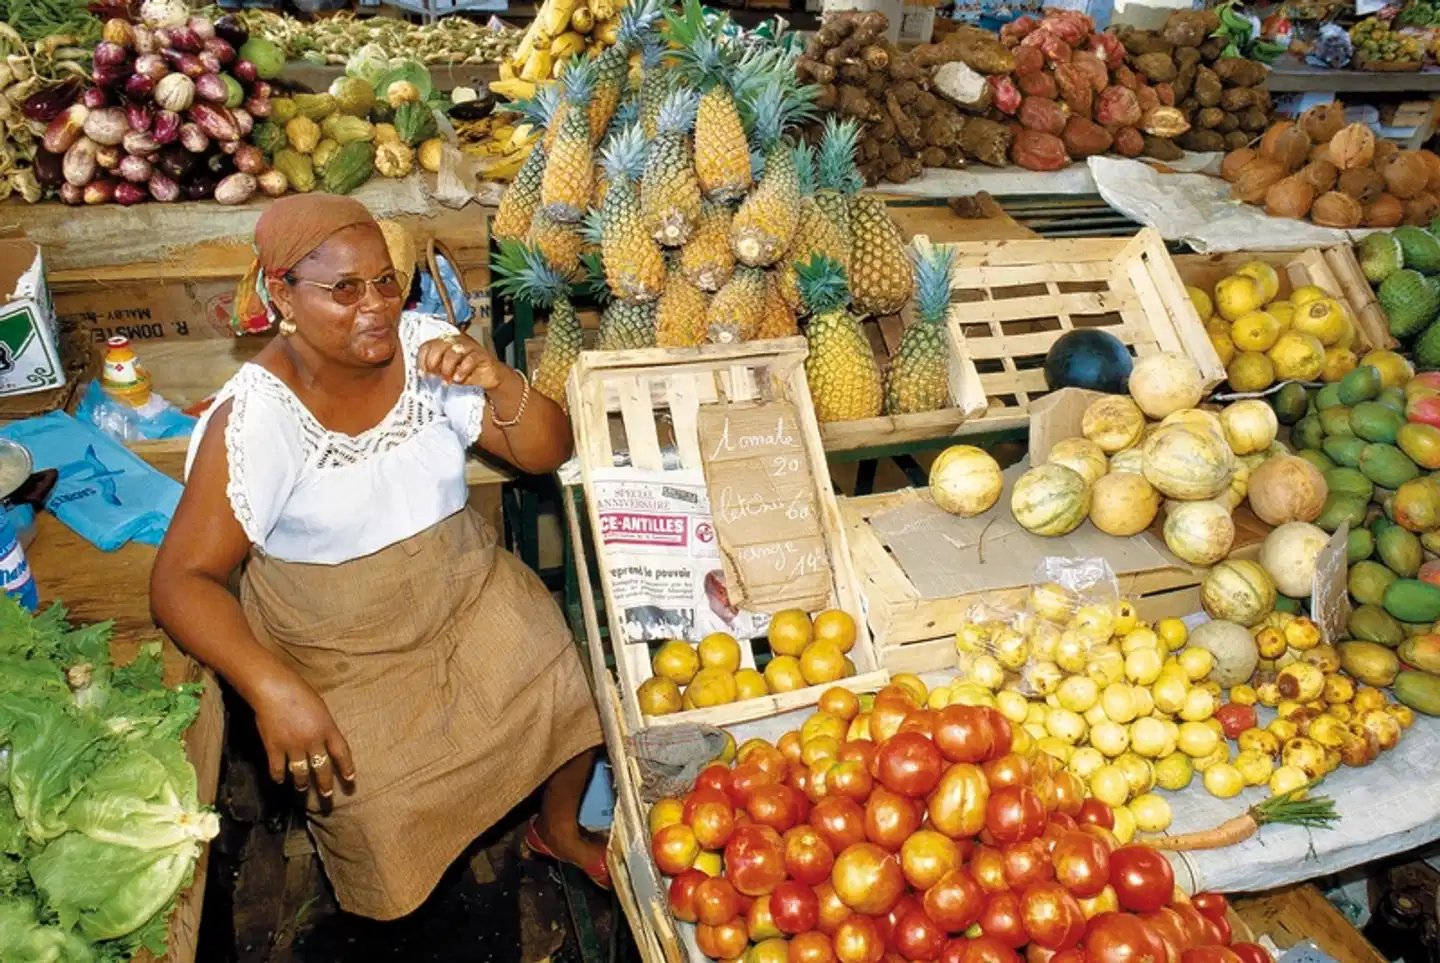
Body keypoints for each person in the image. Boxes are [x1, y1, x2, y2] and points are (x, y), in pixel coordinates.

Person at [150, 194, 607, 921]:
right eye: (344, 288)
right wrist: (272, 687)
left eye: (386, 281)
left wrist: (496, 379)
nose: (375, 307)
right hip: (342, 643)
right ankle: (393, 908)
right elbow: (180, 581)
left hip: (464, 590)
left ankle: (557, 830)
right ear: (282, 295)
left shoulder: (426, 346)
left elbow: (551, 448)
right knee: (381, 811)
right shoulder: (258, 417)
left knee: (569, 686)